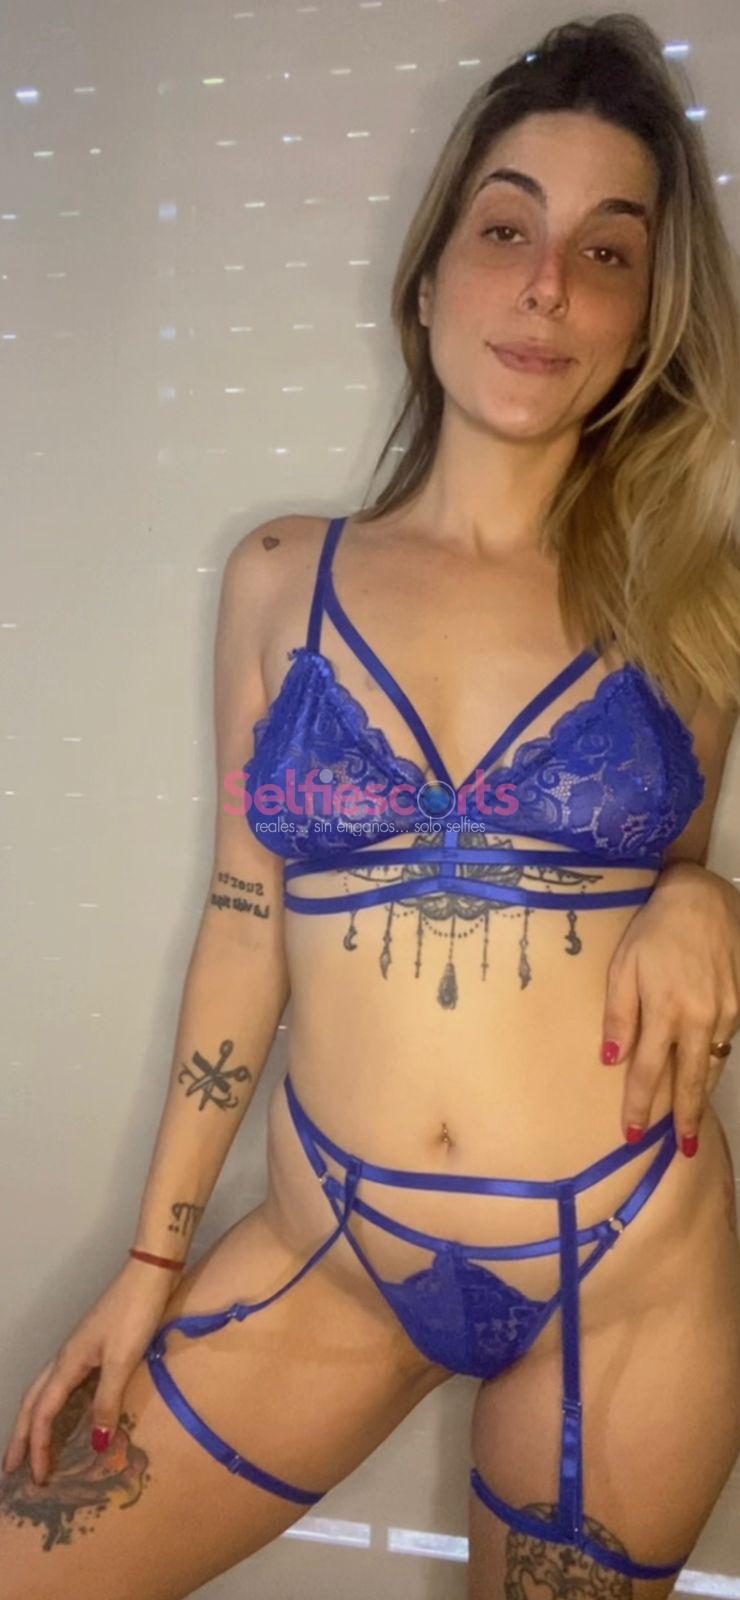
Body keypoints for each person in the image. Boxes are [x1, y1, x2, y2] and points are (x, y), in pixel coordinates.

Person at [2, 13, 740, 1600]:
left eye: (609, 254)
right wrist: (149, 1265)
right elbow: (244, 925)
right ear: (429, 276)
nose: (549, 287)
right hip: (333, 1252)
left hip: (628, 1278)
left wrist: (709, 891)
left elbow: (663, 886)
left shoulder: (692, 595)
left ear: (645, 322)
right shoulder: (284, 578)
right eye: (508, 229)